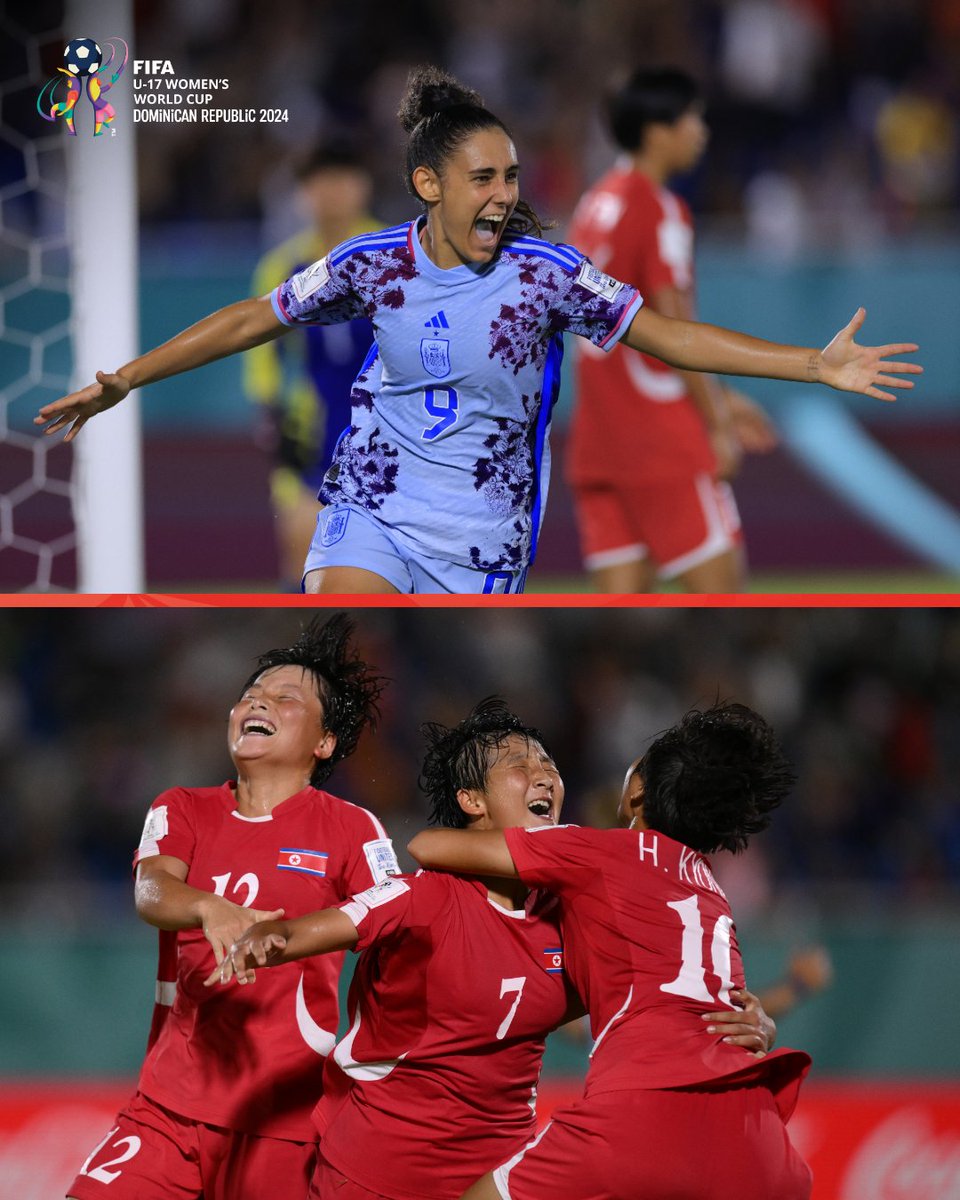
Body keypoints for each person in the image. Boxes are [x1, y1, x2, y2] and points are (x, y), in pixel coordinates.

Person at [35, 66, 921, 597]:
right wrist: (124, 379)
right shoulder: (368, 263)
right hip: (372, 506)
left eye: (512, 175)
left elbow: (667, 334)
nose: (504, 193)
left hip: (484, 531)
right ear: (429, 185)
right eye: (483, 177)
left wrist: (813, 364)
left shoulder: (548, 274)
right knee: (336, 640)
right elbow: (247, 321)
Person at [207, 698, 773, 1200]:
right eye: (520, 764)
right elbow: (317, 929)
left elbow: (659, 992)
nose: (544, 775)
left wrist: (750, 1019)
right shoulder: (423, 896)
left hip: (503, 1172)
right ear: (471, 799)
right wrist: (267, 938)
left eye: (549, 764)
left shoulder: (572, 920)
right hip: (377, 1174)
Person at [408, 703, 813, 1200]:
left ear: (637, 790)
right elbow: (711, 1000)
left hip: (644, 1113)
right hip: (758, 1134)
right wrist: (765, 1020)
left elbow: (429, 847)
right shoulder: (709, 887)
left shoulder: (594, 850)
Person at [67, 614, 400, 1200]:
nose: (259, 702)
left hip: (282, 1122)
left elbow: (394, 914)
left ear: (324, 743)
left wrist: (294, 937)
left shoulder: (350, 828)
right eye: (251, 694)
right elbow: (151, 891)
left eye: (285, 697)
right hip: (168, 1107)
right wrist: (210, 908)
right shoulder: (183, 807)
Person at [567, 67, 778, 593]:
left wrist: (725, 399)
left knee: (625, 621)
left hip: (598, 440)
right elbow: (677, 330)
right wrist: (715, 424)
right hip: (660, 444)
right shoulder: (660, 209)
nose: (702, 131)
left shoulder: (594, 205)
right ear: (659, 131)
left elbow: (626, 337)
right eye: (693, 118)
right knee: (728, 610)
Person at [244, 144, 382, 589]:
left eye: (344, 180)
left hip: (386, 429)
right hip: (312, 429)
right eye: (321, 182)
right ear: (305, 192)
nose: (333, 193)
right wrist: (270, 413)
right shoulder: (282, 266)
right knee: (302, 555)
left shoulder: (394, 255)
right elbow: (261, 352)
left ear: (363, 187)